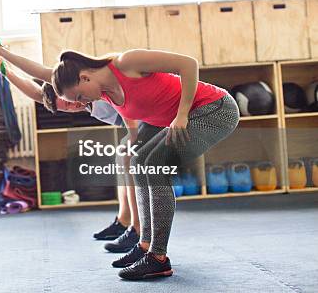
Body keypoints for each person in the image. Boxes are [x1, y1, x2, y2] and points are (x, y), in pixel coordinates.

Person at [49, 48, 239, 280]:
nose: (83, 103)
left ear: (85, 78)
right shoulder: (105, 90)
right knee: (139, 160)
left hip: (214, 109)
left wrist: (182, 114)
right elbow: (42, 72)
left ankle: (158, 258)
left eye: (79, 96)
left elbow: (188, 63)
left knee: (156, 164)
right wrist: (3, 56)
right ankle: (145, 244)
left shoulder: (126, 61)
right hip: (188, 114)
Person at [0, 32, 156, 260]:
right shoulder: (76, 98)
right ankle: (124, 221)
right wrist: (5, 71)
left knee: (127, 157)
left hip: (149, 114)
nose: (72, 108)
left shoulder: (90, 87)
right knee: (122, 159)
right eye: (64, 108)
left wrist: (3, 51)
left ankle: (138, 230)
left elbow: (127, 101)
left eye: (68, 103)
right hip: (138, 119)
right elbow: (36, 92)